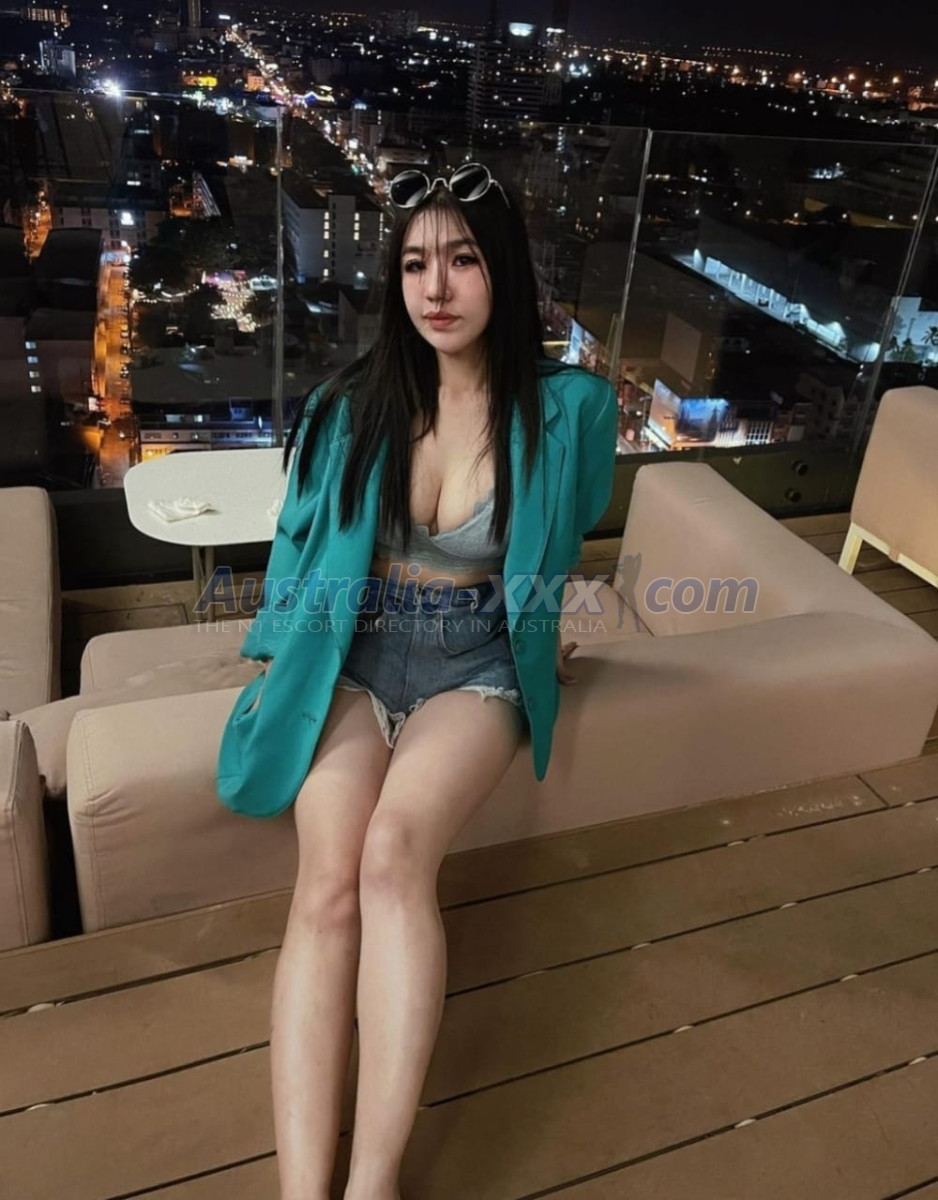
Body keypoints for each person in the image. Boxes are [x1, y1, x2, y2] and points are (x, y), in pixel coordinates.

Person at [215, 161, 619, 1200]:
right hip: (353, 653)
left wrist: (541, 635)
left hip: (473, 660)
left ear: (504, 271)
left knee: (394, 857)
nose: (435, 288)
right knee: (327, 883)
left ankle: (372, 1183)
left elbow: (562, 533)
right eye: (413, 264)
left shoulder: (572, 407)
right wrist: (280, 653)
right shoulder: (350, 407)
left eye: (463, 260)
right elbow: (300, 548)